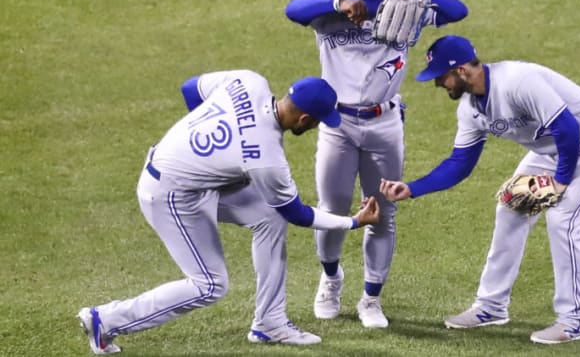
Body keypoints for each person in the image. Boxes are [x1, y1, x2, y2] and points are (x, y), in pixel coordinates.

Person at [77, 71, 380, 355]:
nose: (316, 128)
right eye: (317, 123)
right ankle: (106, 320)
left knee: (269, 217)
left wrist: (206, 155)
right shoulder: (267, 158)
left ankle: (270, 323)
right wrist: (353, 221)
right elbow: (297, 214)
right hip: (170, 194)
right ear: (304, 119)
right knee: (210, 284)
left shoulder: (249, 81)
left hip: (181, 172)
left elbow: (190, 88)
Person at [380, 35, 580, 344]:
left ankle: (574, 319)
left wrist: (562, 180)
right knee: (511, 208)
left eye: (442, 77)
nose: (439, 84)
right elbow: (460, 163)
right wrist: (413, 188)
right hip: (551, 151)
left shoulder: (518, 82)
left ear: (462, 71)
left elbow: (567, 127)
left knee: (563, 221)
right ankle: (491, 306)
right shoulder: (471, 108)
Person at [284, 0, 468, 329]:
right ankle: (331, 279)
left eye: (374, 0)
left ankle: (371, 298)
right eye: (361, 1)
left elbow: (457, 9)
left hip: (384, 125)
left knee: (383, 211)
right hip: (337, 123)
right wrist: (340, 5)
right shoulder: (330, 3)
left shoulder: (403, 6)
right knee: (333, 209)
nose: (366, 10)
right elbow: (293, 9)